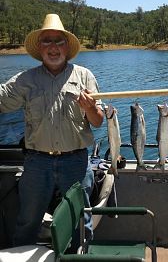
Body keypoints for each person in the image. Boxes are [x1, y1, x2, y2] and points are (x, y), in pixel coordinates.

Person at [0, 14, 104, 246]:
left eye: (59, 41)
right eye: (47, 41)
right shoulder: (24, 80)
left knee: (80, 223)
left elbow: (97, 122)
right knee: (27, 222)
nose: (53, 47)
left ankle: (80, 258)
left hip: (76, 162)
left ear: (67, 46)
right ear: (40, 46)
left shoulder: (84, 76)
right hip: (37, 164)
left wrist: (90, 109)